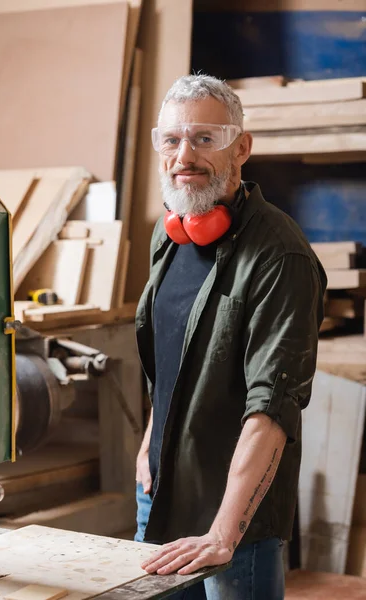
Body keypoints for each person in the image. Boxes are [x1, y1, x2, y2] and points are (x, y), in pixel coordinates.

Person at [134, 74, 327, 600]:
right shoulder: (169, 233)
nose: (184, 156)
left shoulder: (280, 255)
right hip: (159, 493)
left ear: (241, 148)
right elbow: (173, 355)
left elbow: (274, 405)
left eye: (204, 139)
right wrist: (150, 442)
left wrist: (225, 533)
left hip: (230, 520)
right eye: (171, 140)